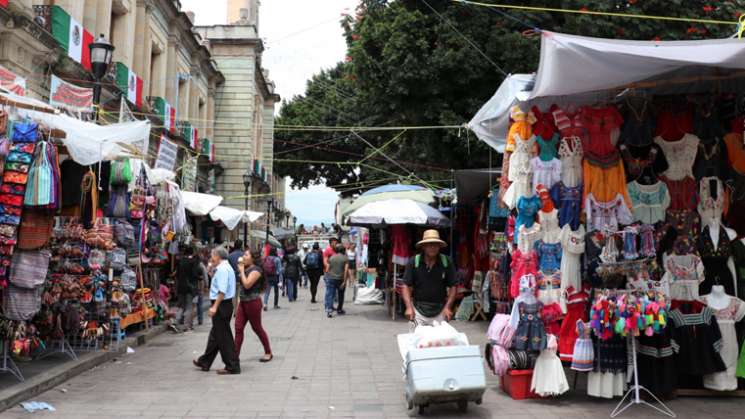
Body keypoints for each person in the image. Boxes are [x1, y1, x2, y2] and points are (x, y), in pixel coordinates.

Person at [193, 247, 240, 375]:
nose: (211, 258)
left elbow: (222, 290)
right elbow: (217, 281)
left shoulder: (223, 269)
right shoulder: (223, 268)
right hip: (224, 305)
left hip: (221, 304)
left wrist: (214, 307)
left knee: (224, 337)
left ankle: (232, 365)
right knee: (216, 336)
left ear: (218, 256)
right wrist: (209, 268)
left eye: (212, 256)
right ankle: (205, 361)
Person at [401, 230, 458, 328]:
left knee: (440, 342)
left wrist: (448, 307)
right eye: (429, 244)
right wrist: (409, 307)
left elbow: (453, 286)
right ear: (423, 247)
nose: (433, 247)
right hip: (418, 311)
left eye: (436, 245)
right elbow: (405, 285)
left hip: (440, 310)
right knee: (418, 342)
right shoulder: (414, 262)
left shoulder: (447, 262)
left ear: (439, 246)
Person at [235, 250, 273, 362]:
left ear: (252, 258)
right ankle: (234, 356)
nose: (243, 257)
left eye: (246, 255)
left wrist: (241, 271)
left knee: (257, 328)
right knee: (238, 328)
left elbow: (247, 285)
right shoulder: (246, 269)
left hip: (253, 303)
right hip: (243, 302)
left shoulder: (256, 270)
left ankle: (268, 352)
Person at [176, 245, 200, 331]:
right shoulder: (192, 262)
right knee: (189, 306)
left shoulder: (180, 261)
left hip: (180, 287)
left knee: (181, 306)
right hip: (190, 287)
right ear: (192, 252)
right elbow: (194, 275)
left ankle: (176, 322)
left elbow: (177, 274)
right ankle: (186, 325)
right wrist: (199, 278)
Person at [325, 244, 348, 318]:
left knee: (330, 295)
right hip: (340, 279)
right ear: (343, 250)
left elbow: (327, 269)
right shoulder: (345, 258)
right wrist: (344, 281)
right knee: (341, 294)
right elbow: (346, 271)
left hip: (331, 278)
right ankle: (339, 309)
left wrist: (327, 277)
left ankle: (329, 310)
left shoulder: (331, 257)